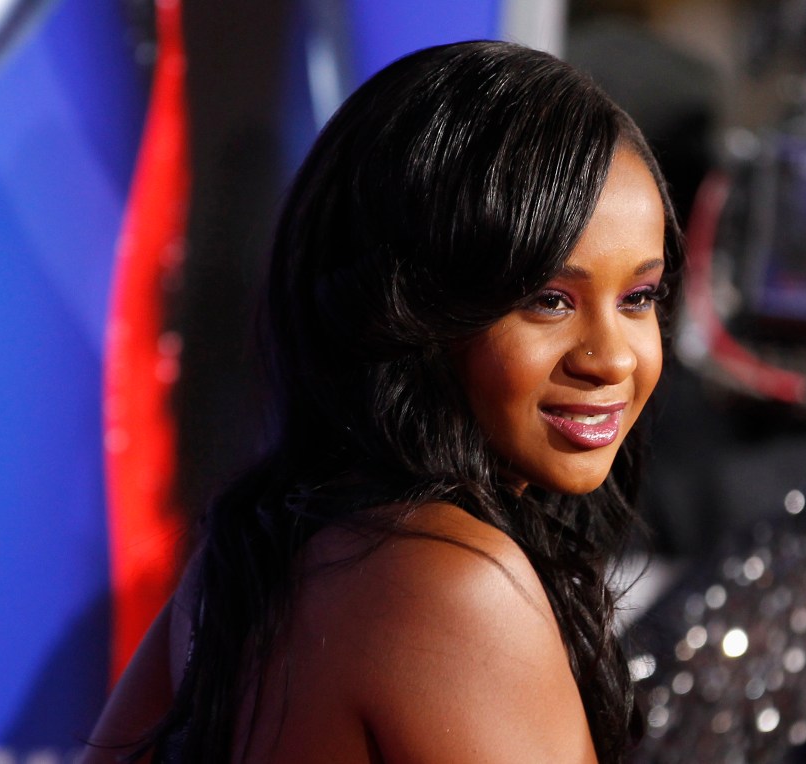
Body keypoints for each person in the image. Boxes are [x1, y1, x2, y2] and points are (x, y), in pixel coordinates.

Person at [84, 39, 684, 763]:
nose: (613, 356)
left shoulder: (253, 545)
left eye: (639, 297)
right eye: (549, 300)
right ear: (412, 310)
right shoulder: (449, 580)